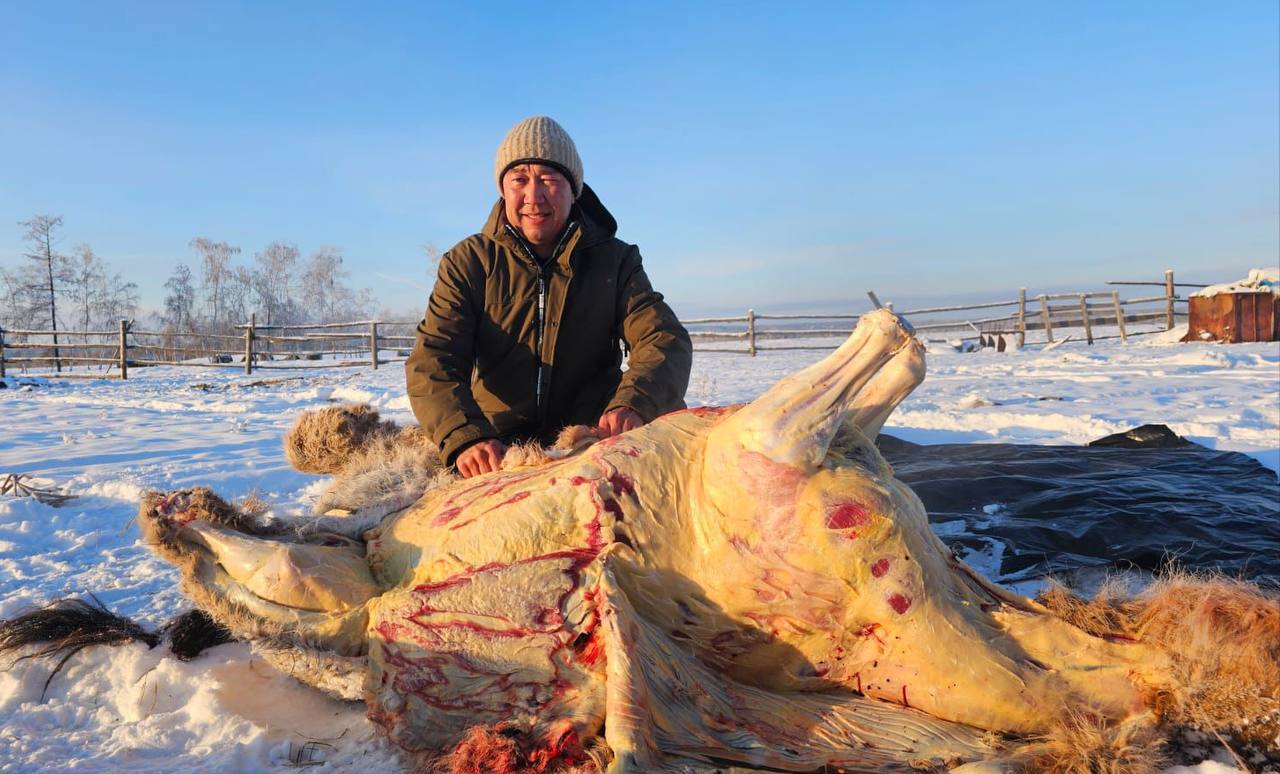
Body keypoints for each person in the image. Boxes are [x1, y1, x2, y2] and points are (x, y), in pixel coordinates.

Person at [406, 116, 692, 478]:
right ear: (503, 189)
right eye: (519, 180)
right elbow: (434, 359)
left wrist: (634, 404)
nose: (533, 196)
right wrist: (465, 436)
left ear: (574, 190)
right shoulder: (469, 262)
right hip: (498, 447)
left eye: (549, 179)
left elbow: (662, 338)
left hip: (592, 441)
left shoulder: (616, 261)